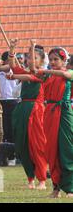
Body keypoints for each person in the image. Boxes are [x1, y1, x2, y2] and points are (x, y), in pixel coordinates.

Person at [8, 39, 47, 190]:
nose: (30, 60)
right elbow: (13, 66)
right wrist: (12, 50)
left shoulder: (43, 74)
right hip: (22, 110)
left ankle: (42, 179)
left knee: (37, 145)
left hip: (36, 111)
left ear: (42, 61)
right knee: (22, 144)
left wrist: (32, 46)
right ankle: (30, 178)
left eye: (34, 57)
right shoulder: (23, 72)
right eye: (29, 57)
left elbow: (30, 77)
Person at [37, 46, 73, 198]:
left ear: (64, 60)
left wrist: (47, 71)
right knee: (52, 149)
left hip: (64, 112)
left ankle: (70, 187)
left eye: (56, 59)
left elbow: (66, 74)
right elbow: (31, 73)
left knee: (67, 148)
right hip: (49, 113)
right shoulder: (48, 76)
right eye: (50, 60)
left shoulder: (69, 72)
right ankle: (56, 187)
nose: (52, 62)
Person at [0, 52, 20, 155]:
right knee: (4, 128)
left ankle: (17, 153)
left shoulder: (18, 73)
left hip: (13, 101)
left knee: (14, 127)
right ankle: (7, 154)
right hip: (2, 102)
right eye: (8, 60)